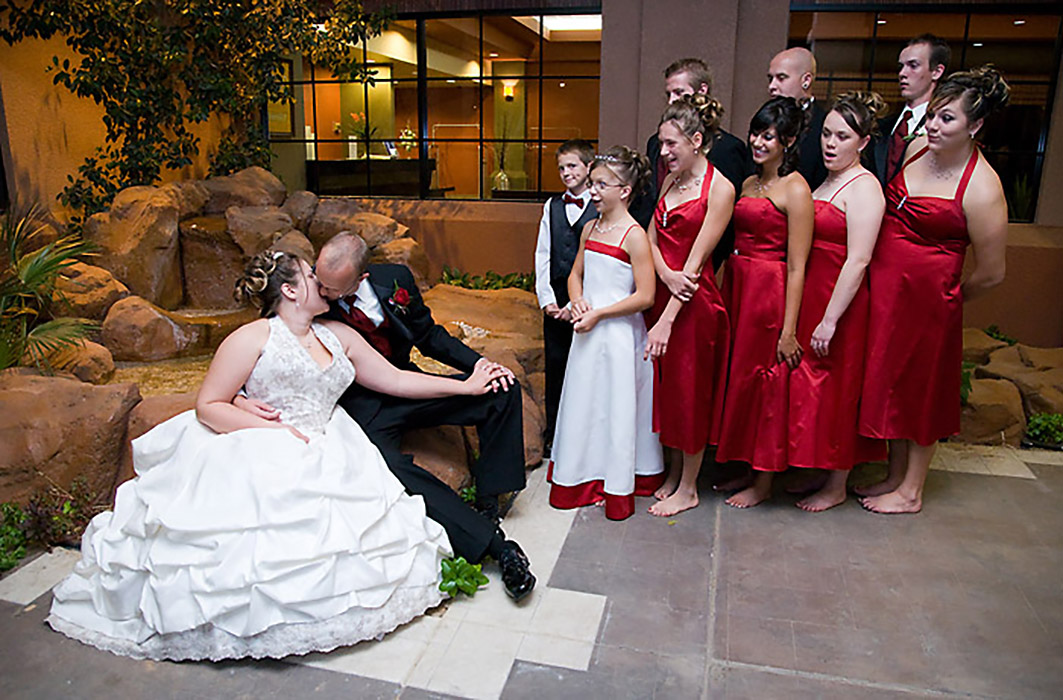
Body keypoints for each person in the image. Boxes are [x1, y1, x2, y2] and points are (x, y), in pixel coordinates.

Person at [46, 251, 511, 661]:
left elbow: (394, 380)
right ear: (289, 290)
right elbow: (209, 405)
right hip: (266, 443)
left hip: (329, 440)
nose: (321, 282)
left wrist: (464, 384)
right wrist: (275, 430)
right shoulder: (251, 338)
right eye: (311, 275)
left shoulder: (337, 334)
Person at [243, 234, 533, 599]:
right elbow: (264, 357)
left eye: (332, 288)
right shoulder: (311, 305)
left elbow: (427, 336)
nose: (323, 291)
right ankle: (493, 543)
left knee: (501, 388)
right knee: (391, 468)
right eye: (317, 279)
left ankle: (490, 500)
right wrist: (239, 399)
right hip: (361, 407)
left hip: (404, 383)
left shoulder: (394, 280)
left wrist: (479, 367)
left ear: (360, 280)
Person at [858, 66, 1010, 514]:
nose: (934, 127)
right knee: (891, 384)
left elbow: (993, 272)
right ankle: (893, 475)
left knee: (921, 392)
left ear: (975, 125)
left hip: (930, 303)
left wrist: (951, 298)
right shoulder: (920, 149)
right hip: (888, 295)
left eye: (948, 120)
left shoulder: (983, 187)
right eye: (934, 116)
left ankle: (911, 491)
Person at [547, 146, 663, 520]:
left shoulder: (634, 236)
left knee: (615, 407)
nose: (592, 190)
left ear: (624, 190)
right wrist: (579, 301)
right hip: (589, 331)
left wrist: (600, 313)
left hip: (618, 335)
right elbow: (575, 273)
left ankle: (617, 481)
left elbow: (645, 296)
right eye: (592, 183)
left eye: (601, 184)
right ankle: (584, 475)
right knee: (586, 404)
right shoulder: (590, 228)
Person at [787, 92, 888, 512]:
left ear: (863, 142)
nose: (830, 143)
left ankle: (837, 483)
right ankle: (817, 467)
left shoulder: (866, 188)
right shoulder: (827, 180)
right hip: (813, 291)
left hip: (839, 302)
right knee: (813, 387)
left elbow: (859, 259)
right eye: (826, 134)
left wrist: (830, 319)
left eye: (842, 136)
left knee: (838, 388)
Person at [715, 96, 814, 508]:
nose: (757, 142)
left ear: (788, 141)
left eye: (768, 136)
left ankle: (764, 481)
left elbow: (798, 265)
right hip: (738, 285)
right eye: (756, 132)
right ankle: (744, 463)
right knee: (738, 380)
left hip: (769, 292)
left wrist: (789, 329)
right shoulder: (748, 185)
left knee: (765, 384)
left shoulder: (796, 188)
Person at [644, 95, 735, 517]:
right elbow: (650, 236)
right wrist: (662, 273)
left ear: (696, 140)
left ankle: (689, 486)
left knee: (690, 393)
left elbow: (696, 267)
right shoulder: (670, 181)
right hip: (666, 290)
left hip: (693, 306)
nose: (663, 153)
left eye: (670, 144)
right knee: (665, 390)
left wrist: (665, 321)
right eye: (661, 144)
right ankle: (672, 469)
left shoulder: (720, 189)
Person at [632, 57, 752, 272]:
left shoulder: (728, 148)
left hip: (699, 265)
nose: (671, 100)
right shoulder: (654, 143)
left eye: (678, 92)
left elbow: (724, 221)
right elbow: (648, 201)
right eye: (668, 94)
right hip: (656, 258)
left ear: (702, 90)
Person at [534, 139, 597, 456]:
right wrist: (548, 300)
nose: (566, 173)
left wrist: (578, 304)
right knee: (556, 366)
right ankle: (554, 433)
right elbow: (542, 254)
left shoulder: (602, 206)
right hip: (557, 298)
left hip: (589, 298)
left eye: (572, 166)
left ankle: (585, 435)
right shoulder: (552, 207)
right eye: (561, 168)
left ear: (588, 167)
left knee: (585, 367)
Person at [872, 34, 950, 186]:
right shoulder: (881, 126)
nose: (902, 73)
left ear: (936, 72)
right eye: (901, 66)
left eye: (913, 65)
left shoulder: (941, 129)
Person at [767, 47, 828, 190]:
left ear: (806, 80)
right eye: (770, 79)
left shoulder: (824, 126)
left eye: (781, 78)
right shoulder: (765, 120)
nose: (772, 86)